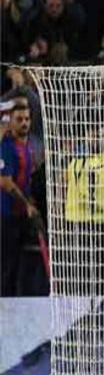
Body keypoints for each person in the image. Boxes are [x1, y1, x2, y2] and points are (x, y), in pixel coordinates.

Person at [0, 104, 43, 296]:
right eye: (19, 119)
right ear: (11, 122)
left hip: (19, 216)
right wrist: (26, 204)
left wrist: (30, 201)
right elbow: (5, 182)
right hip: (5, 214)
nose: (24, 123)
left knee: (17, 264)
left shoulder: (27, 148)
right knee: (6, 265)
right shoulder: (6, 148)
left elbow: (25, 179)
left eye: (27, 119)